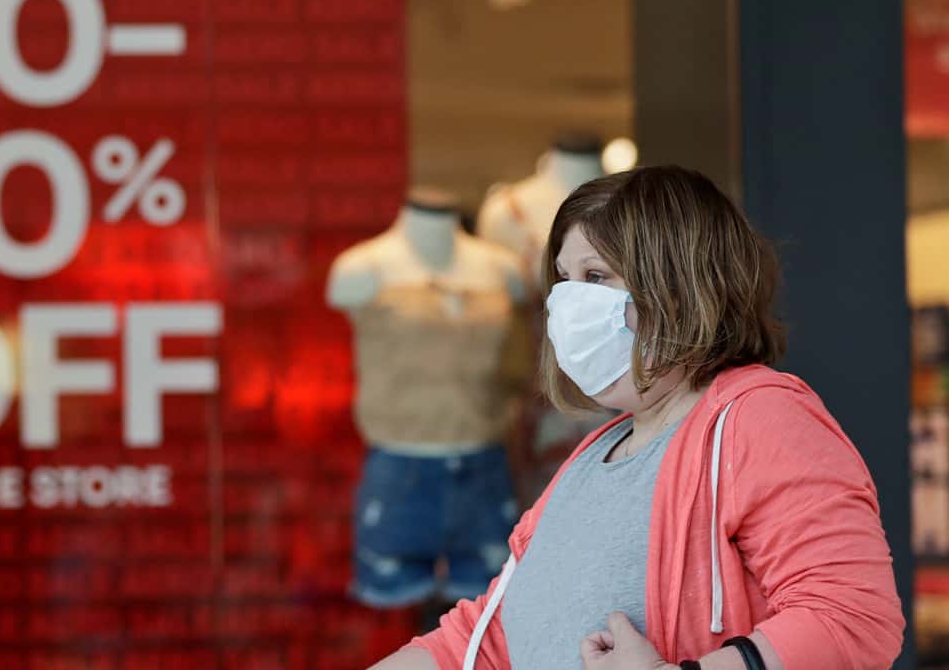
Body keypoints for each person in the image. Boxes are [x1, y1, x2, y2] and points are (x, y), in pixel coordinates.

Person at [370, 165, 904, 670]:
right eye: (564, 278)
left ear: (680, 287)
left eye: (595, 275)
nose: (567, 302)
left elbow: (854, 616)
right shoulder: (593, 457)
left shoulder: (759, 416)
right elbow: (484, 640)